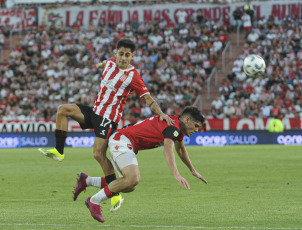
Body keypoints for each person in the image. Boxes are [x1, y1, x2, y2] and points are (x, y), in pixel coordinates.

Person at [38, 38, 174, 212]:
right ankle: (58, 152)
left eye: (127, 55)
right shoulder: (110, 62)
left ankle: (114, 194)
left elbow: (147, 98)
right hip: (95, 112)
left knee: (98, 154)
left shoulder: (133, 76)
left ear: (132, 57)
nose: (123, 58)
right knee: (63, 110)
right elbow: (104, 63)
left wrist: (161, 114)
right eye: (120, 54)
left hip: (108, 119)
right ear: (115, 54)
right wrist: (98, 65)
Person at [74, 106, 208, 222]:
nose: (196, 130)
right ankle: (94, 201)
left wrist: (192, 170)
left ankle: (87, 180)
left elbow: (180, 149)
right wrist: (177, 174)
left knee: (129, 185)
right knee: (133, 178)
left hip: (124, 142)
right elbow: (168, 149)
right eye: (196, 126)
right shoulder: (172, 126)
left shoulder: (177, 128)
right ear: (187, 120)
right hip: (122, 140)